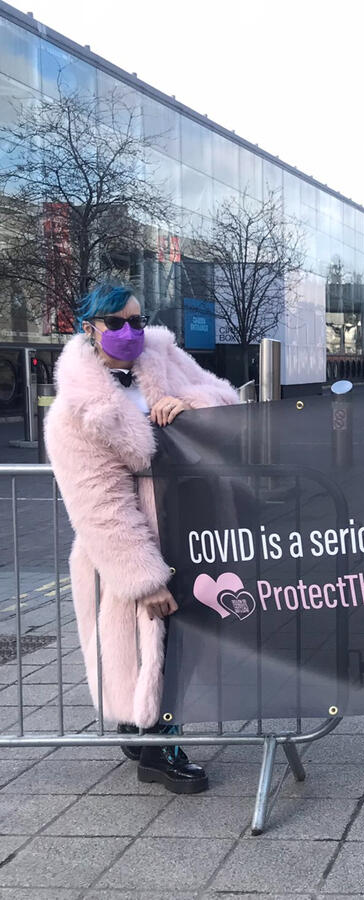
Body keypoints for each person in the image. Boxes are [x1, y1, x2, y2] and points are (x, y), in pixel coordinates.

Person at [44, 282, 240, 794]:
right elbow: (98, 504)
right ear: (89, 329)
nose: (131, 332)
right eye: (117, 323)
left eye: (136, 319)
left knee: (176, 643)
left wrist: (188, 405)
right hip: (133, 546)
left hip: (191, 531)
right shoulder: (76, 412)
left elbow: (228, 400)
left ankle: (140, 730)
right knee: (149, 644)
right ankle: (159, 749)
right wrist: (141, 577)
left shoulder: (162, 356)